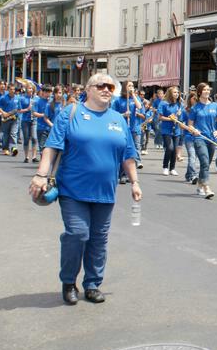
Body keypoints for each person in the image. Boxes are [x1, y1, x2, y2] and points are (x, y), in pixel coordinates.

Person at [28, 73, 141, 305]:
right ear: (88, 89)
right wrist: (41, 174)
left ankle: (92, 284)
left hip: (105, 191)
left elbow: (128, 155)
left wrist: (135, 182)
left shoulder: (119, 120)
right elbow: (51, 147)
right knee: (78, 234)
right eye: (101, 85)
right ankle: (69, 281)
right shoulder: (70, 114)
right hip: (73, 189)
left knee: (98, 239)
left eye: (110, 86)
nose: (106, 90)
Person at [188, 83, 217, 198]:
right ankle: (206, 187)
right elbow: (190, 125)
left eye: (208, 89)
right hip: (199, 138)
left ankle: (199, 184)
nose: (207, 91)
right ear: (199, 92)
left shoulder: (215, 106)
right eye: (204, 90)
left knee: (206, 164)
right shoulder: (195, 108)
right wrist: (194, 130)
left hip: (212, 139)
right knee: (205, 162)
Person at [157, 86, 184, 176]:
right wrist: (170, 119)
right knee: (170, 148)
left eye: (177, 92)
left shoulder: (180, 104)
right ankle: (165, 167)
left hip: (176, 130)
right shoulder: (164, 103)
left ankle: (172, 168)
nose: (176, 94)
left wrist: (179, 115)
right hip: (166, 130)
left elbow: (181, 117)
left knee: (175, 150)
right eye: (174, 92)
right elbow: (160, 117)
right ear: (170, 94)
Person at [0, 84, 20, 156]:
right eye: (11, 89)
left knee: (13, 133)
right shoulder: (3, 97)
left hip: (15, 118)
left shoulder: (18, 98)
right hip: (6, 118)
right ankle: (5, 149)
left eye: (13, 89)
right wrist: (3, 113)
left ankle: (13, 148)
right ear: (8, 90)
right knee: (6, 134)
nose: (12, 91)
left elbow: (20, 108)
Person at [18, 83, 39, 163]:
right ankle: (26, 156)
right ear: (26, 89)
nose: (30, 90)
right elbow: (19, 110)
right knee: (26, 139)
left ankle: (34, 156)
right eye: (29, 88)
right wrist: (27, 109)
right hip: (25, 120)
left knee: (34, 138)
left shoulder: (37, 98)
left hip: (34, 120)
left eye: (32, 88)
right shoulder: (22, 98)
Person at [34, 85, 52, 153]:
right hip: (41, 127)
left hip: (50, 127)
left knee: (50, 147)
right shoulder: (38, 101)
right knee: (42, 147)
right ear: (43, 92)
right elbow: (34, 113)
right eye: (47, 92)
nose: (49, 94)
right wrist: (44, 115)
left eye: (50, 92)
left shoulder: (52, 102)